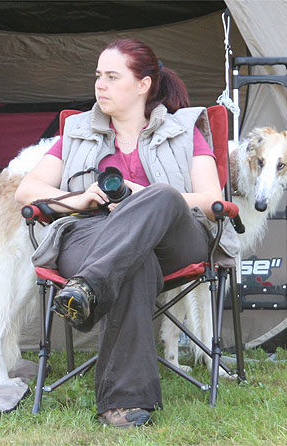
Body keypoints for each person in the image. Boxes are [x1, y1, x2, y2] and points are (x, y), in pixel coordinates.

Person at [15, 39, 230, 428]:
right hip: (91, 234)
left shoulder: (183, 130)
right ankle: (123, 405)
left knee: (163, 196)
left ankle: (88, 288)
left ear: (143, 84)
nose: (100, 85)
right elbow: (26, 191)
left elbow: (211, 200)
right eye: (99, 75)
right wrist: (80, 199)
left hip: (172, 240)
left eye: (113, 77)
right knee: (133, 263)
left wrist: (141, 197)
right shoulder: (78, 130)